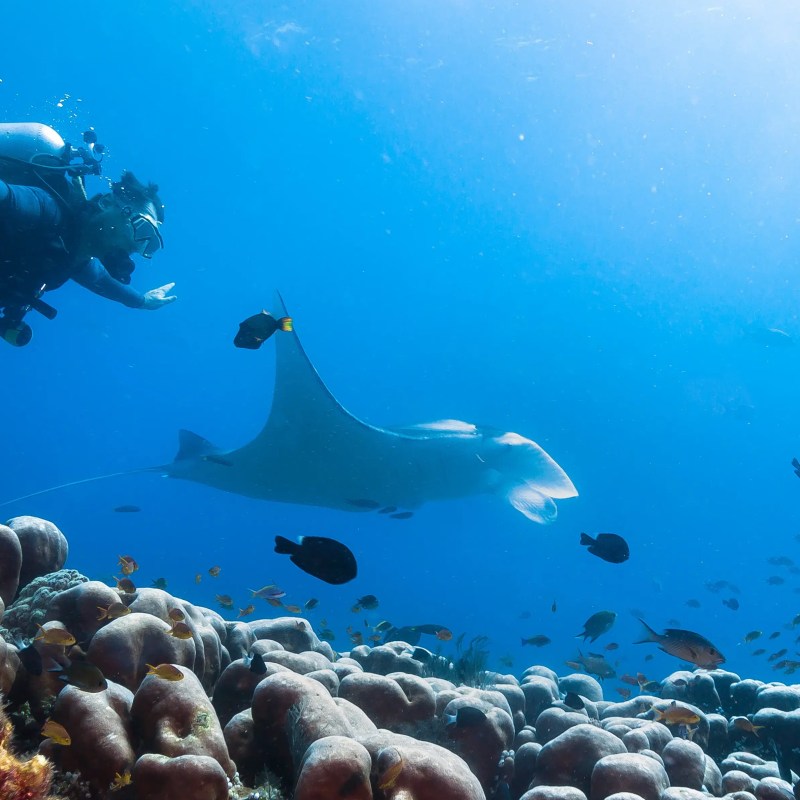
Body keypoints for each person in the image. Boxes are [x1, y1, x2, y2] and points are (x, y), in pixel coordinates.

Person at [0, 124, 176, 346]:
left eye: (147, 245)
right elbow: (9, 197)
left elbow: (102, 280)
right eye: (140, 228)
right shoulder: (46, 211)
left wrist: (142, 301)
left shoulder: (75, 257)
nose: (135, 245)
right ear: (107, 203)